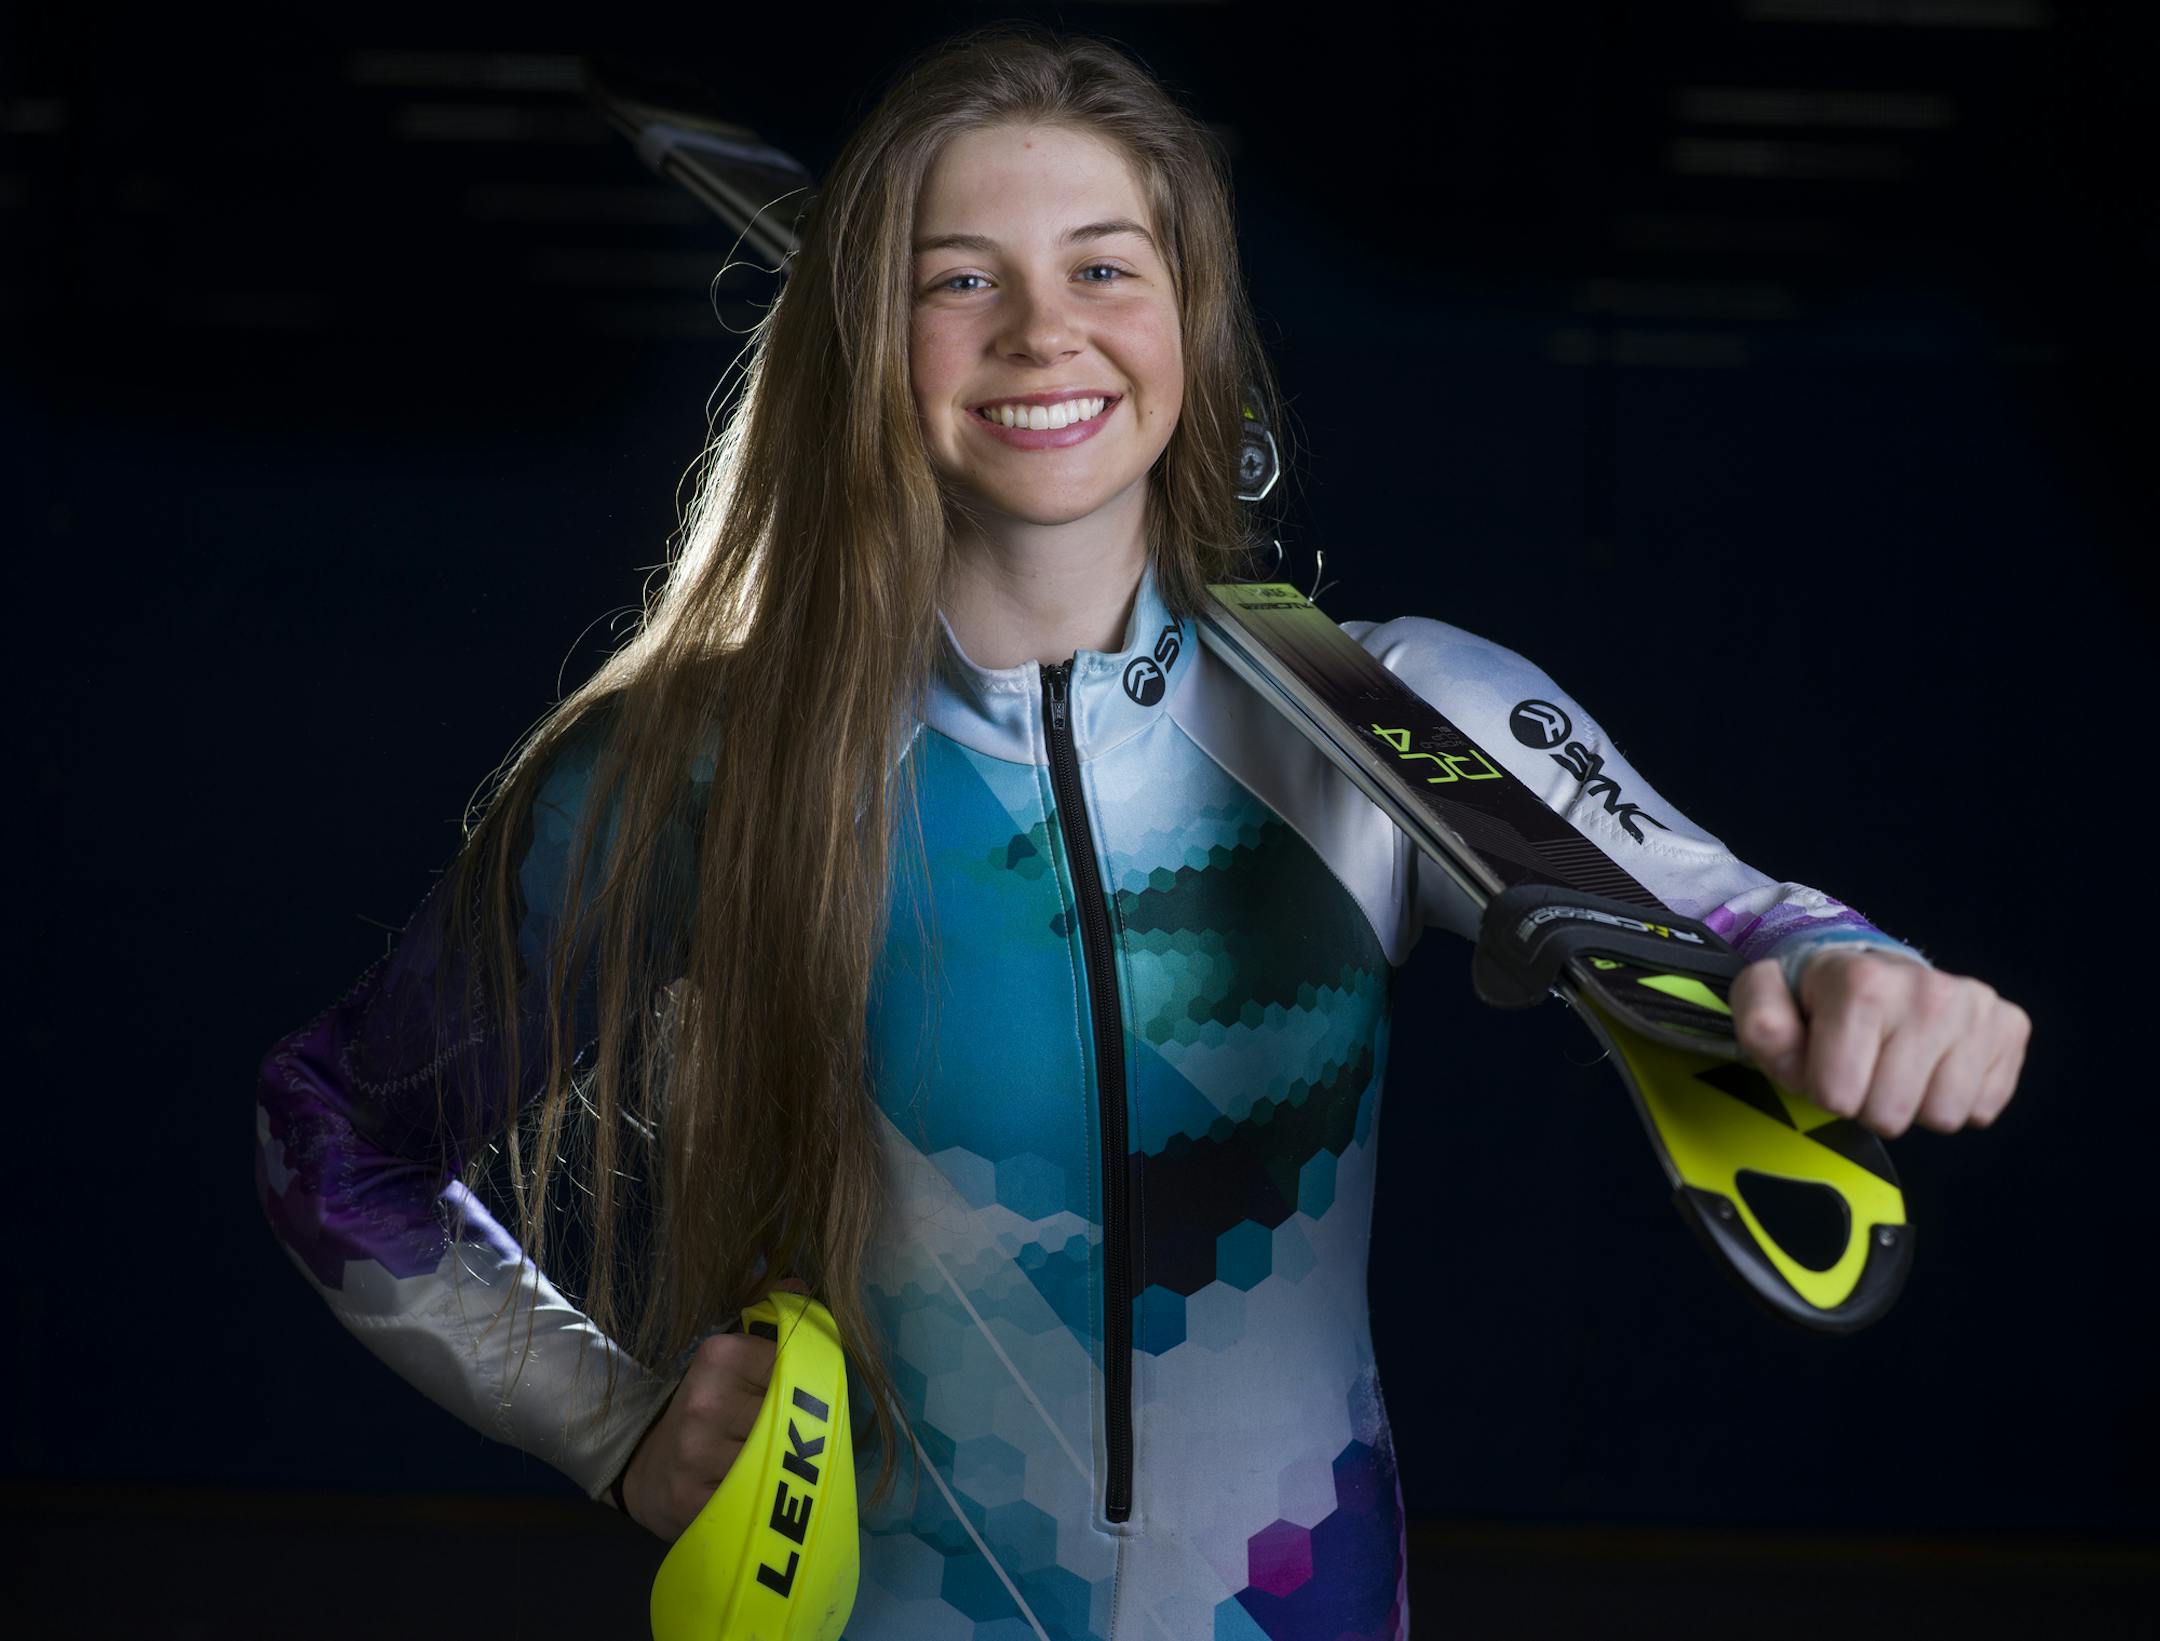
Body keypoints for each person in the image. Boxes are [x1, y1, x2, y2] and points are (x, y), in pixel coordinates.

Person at [253, 26, 2030, 1640]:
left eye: (1107, 267)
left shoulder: (1389, 719)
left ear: (1195, 325)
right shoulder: (710, 766)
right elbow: (337, 1136)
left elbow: (1727, 922)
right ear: (874, 336)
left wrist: (1863, 979)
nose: (1045, 333)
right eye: (966, 280)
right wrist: (620, 1422)